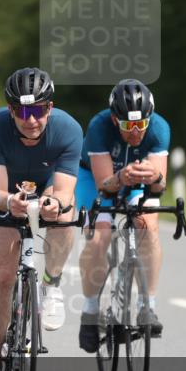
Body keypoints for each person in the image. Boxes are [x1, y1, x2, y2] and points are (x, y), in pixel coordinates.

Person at [0, 68, 82, 371]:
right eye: (22, 111)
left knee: (65, 214)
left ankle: (51, 285)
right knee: (1, 275)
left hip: (48, 186)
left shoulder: (68, 129)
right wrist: (9, 201)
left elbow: (64, 190)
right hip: (7, 194)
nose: (30, 119)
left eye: (37, 110)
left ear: (49, 107)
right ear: (10, 110)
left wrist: (53, 203)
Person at [75, 79, 171, 353]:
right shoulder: (99, 126)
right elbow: (104, 184)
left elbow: (159, 187)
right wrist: (120, 176)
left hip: (134, 182)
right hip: (95, 178)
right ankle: (90, 311)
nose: (136, 132)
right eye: (128, 126)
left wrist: (155, 177)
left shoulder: (159, 128)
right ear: (116, 121)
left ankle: (147, 306)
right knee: (99, 238)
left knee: (148, 225)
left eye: (141, 124)